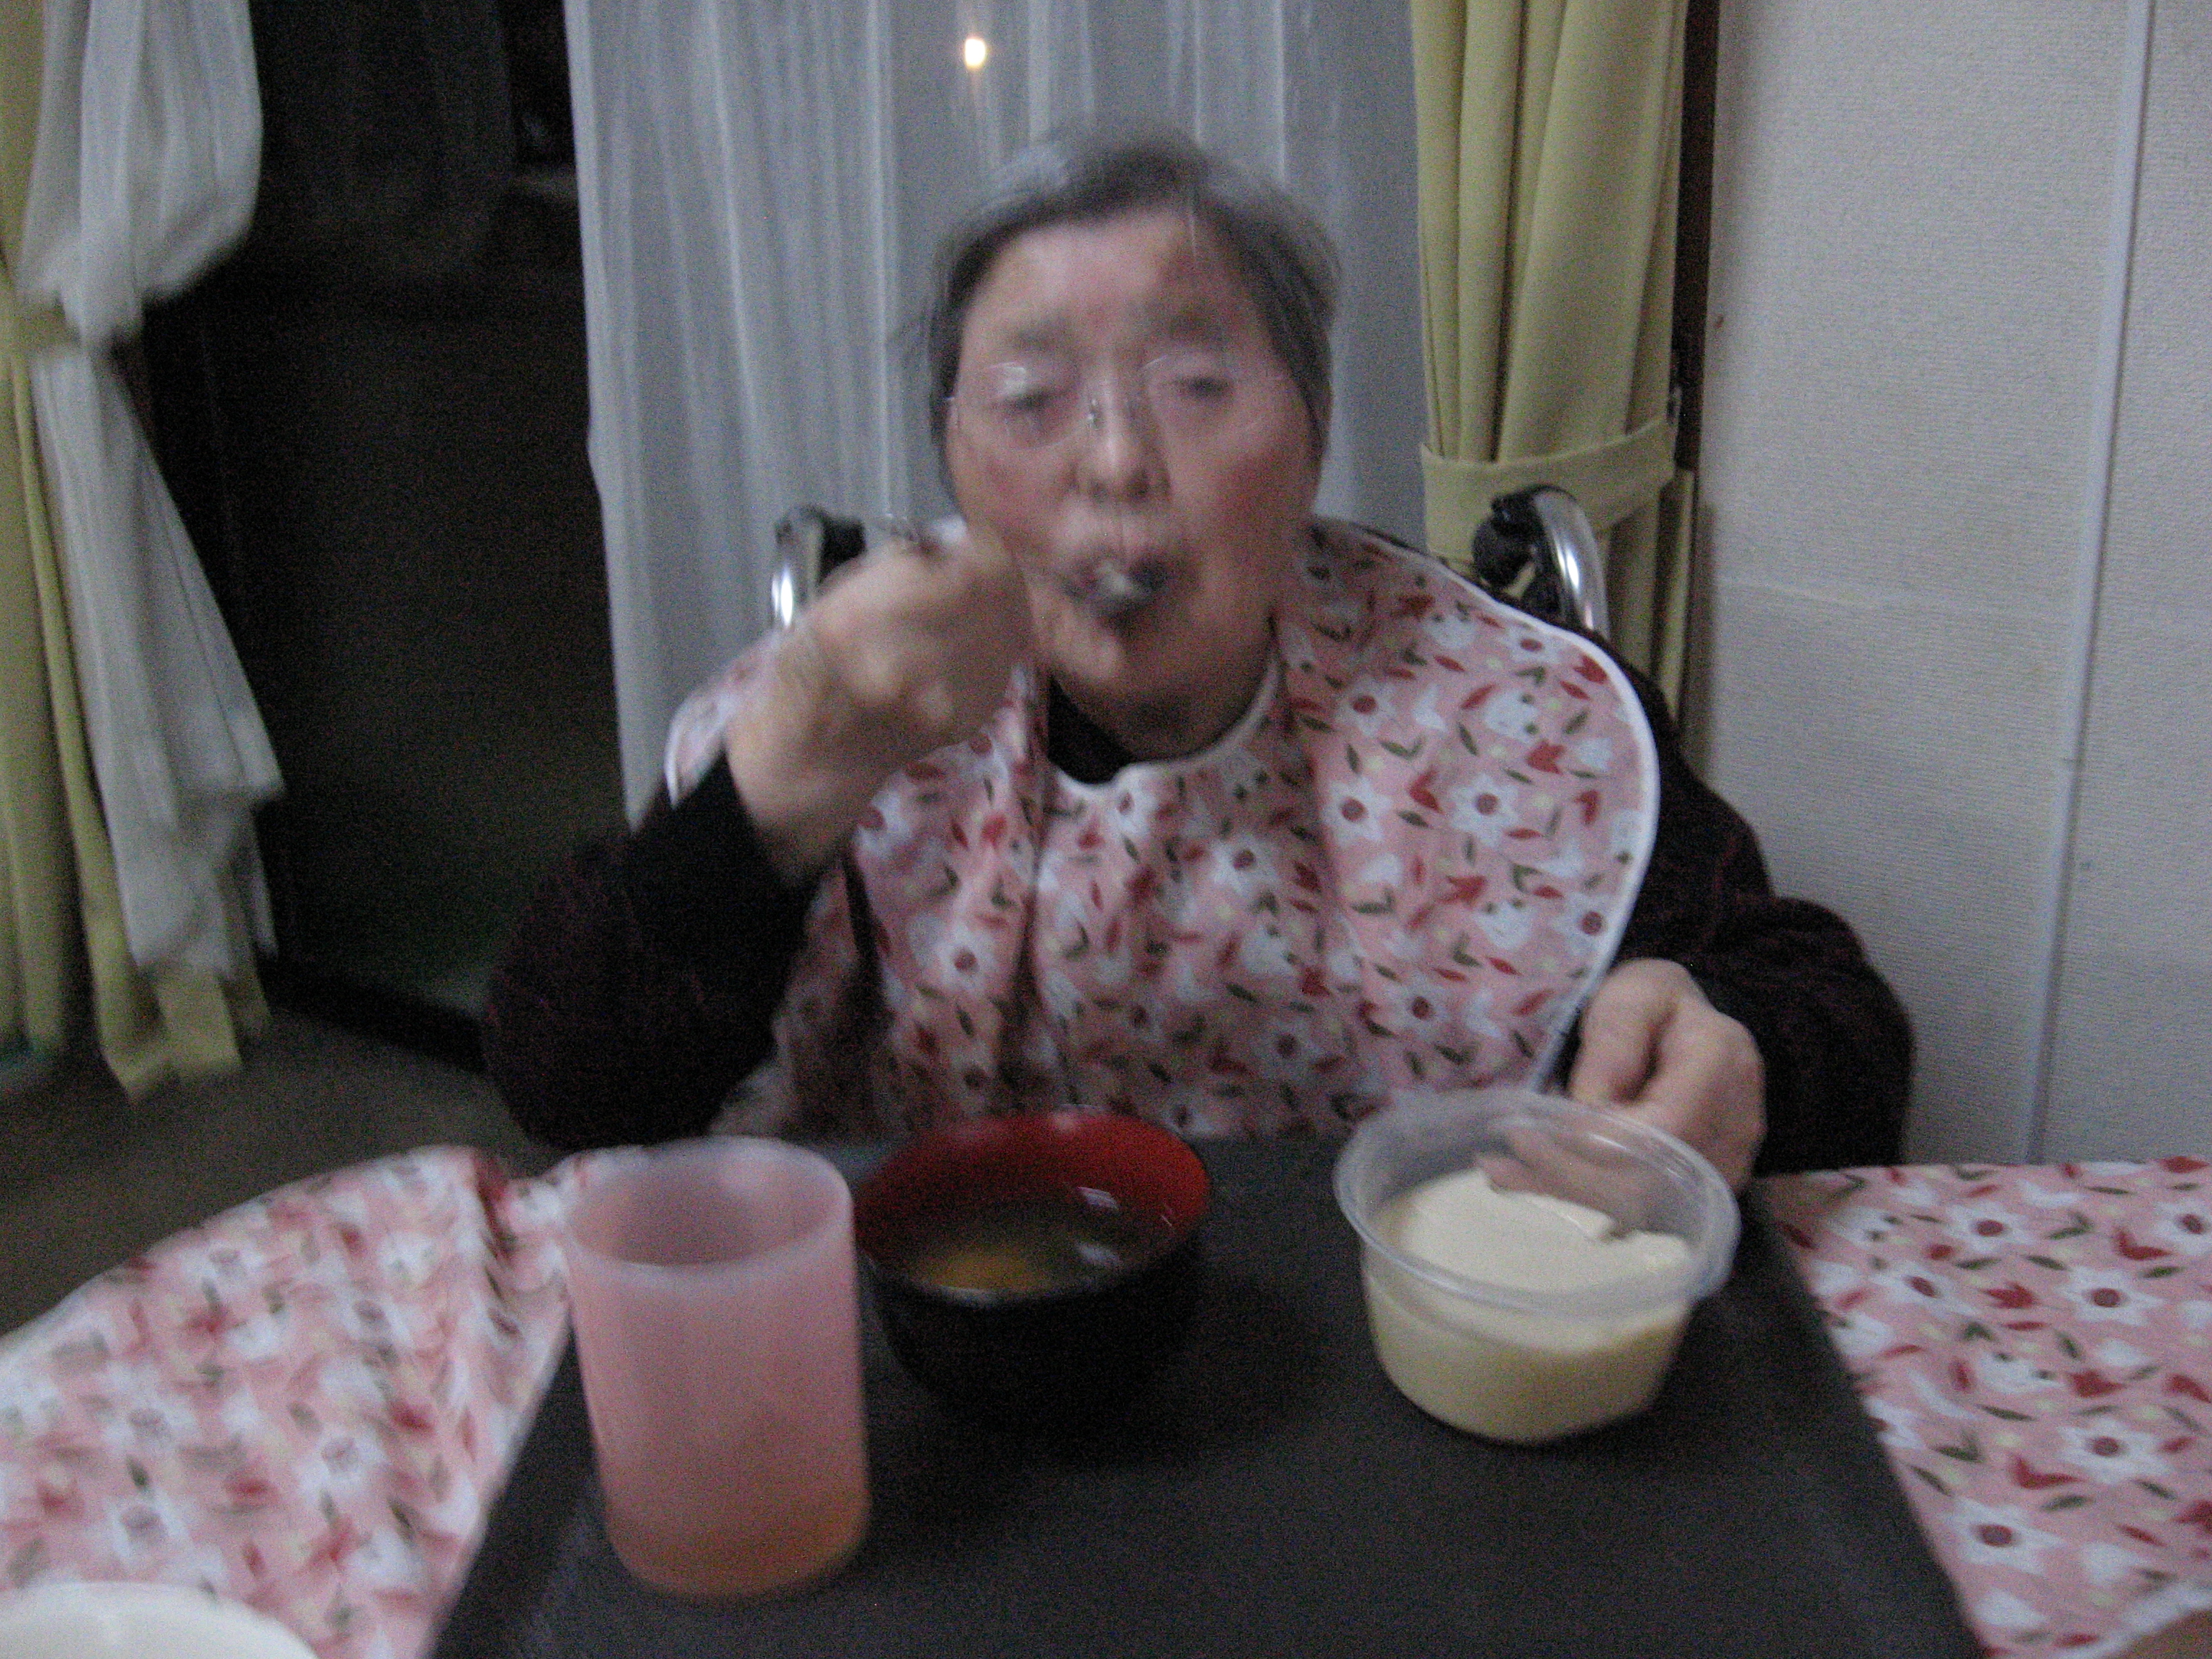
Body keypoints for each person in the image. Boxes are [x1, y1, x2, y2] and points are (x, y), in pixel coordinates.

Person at [484, 128, 1910, 1187]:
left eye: (1196, 383)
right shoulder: (851, 705)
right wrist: (784, 782)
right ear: (949, 461)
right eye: (1032, 399)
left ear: (1313, 437)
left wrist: (1732, 1048)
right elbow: (570, 1090)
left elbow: (1842, 1031)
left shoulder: (1496, 707)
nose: (1115, 461)